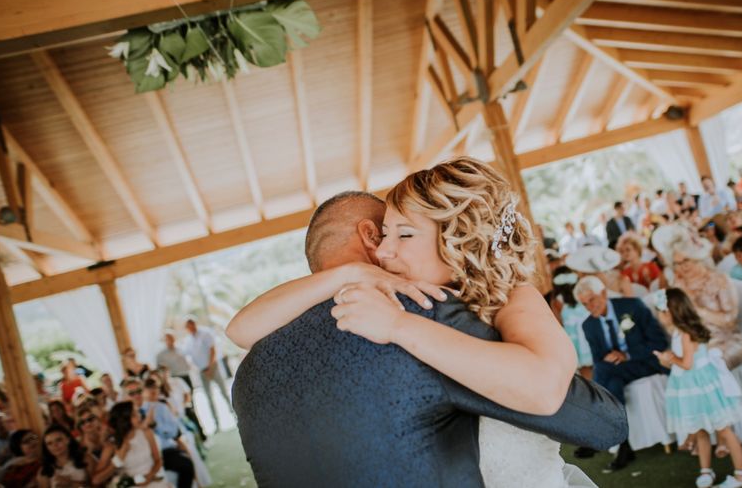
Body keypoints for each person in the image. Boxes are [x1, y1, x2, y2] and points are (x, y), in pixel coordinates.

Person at [229, 176, 626, 486]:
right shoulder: (422, 311)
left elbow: (240, 329)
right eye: (389, 231)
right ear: (371, 235)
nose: (390, 249)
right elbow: (598, 422)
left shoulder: (249, 376)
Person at [654, 289, 742, 488]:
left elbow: (687, 363)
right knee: (700, 430)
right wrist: (669, 360)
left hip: (700, 385)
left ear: (671, 312)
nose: (659, 316)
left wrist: (670, 358)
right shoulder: (678, 333)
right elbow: (683, 361)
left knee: (723, 430)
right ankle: (706, 471)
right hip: (690, 385)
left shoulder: (685, 335)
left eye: (661, 311)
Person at [575, 275, 668, 470]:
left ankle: (595, 430)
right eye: (584, 304)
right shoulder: (588, 325)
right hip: (616, 372)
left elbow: (659, 342)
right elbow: (598, 358)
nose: (590, 307)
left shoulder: (632, 306)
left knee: (602, 370)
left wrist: (626, 354)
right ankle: (625, 445)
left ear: (604, 293)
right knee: (612, 380)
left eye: (592, 300)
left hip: (645, 362)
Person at [652, 225, 742, 370]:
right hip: (693, 345)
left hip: (724, 342)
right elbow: (677, 327)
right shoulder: (677, 286)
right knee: (675, 364)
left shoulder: (719, 280)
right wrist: (668, 321)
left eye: (686, 261)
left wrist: (696, 308)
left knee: (702, 365)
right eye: (677, 264)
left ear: (697, 257)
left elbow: (729, 321)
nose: (683, 267)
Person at [122, 378, 193, 488]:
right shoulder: (123, 417)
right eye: (131, 393)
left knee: (186, 465)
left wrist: (155, 425)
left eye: (139, 391)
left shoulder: (160, 407)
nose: (136, 395)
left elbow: (174, 432)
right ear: (125, 396)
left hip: (164, 451)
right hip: (140, 458)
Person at [184, 317, 232, 434]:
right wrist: (200, 369)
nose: (191, 327)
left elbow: (212, 351)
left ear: (195, 324)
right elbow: (189, 357)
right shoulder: (188, 341)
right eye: (188, 326)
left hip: (213, 367)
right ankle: (216, 424)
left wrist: (210, 367)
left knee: (224, 393)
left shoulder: (205, 333)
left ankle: (236, 416)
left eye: (192, 324)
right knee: (208, 398)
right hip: (202, 371)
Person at [108, 402, 171, 488]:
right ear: (125, 420)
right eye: (134, 414)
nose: (139, 415)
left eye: (138, 412)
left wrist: (149, 477)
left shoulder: (147, 432)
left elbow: (158, 460)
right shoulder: (114, 444)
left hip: (153, 478)